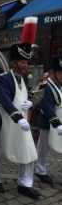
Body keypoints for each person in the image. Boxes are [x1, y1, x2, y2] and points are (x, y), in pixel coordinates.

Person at [0, 17, 41, 199]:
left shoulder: (25, 78)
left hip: (23, 120)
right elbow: (4, 99)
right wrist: (18, 116)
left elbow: (26, 96)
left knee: (28, 149)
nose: (26, 64)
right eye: (22, 62)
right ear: (14, 63)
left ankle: (25, 184)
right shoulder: (4, 78)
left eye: (27, 61)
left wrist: (30, 103)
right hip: (4, 119)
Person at [35, 55, 62, 186]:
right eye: (60, 72)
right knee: (43, 146)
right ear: (52, 72)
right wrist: (57, 123)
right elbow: (47, 105)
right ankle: (40, 169)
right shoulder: (45, 86)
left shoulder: (58, 85)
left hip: (59, 120)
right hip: (47, 121)